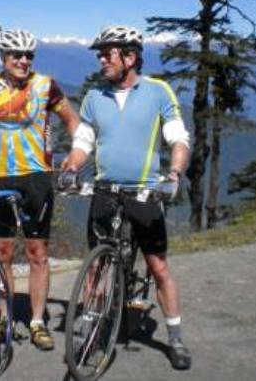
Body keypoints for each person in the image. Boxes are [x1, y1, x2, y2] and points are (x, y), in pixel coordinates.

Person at [62, 25, 192, 370]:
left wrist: (174, 175)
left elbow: (178, 137)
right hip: (106, 191)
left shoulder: (157, 91)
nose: (101, 59)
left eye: (108, 53)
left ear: (130, 57)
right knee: (97, 263)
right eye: (100, 54)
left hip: (145, 192)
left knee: (158, 265)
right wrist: (71, 169)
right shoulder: (94, 96)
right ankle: (91, 321)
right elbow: (83, 143)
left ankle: (175, 338)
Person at [0, 29, 79, 351]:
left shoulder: (45, 85)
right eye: (17, 55)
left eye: (29, 55)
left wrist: (74, 154)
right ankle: (3, 317)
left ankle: (38, 322)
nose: (23, 60)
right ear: (2, 57)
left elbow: (72, 119)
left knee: (37, 253)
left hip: (37, 177)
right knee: (1, 252)